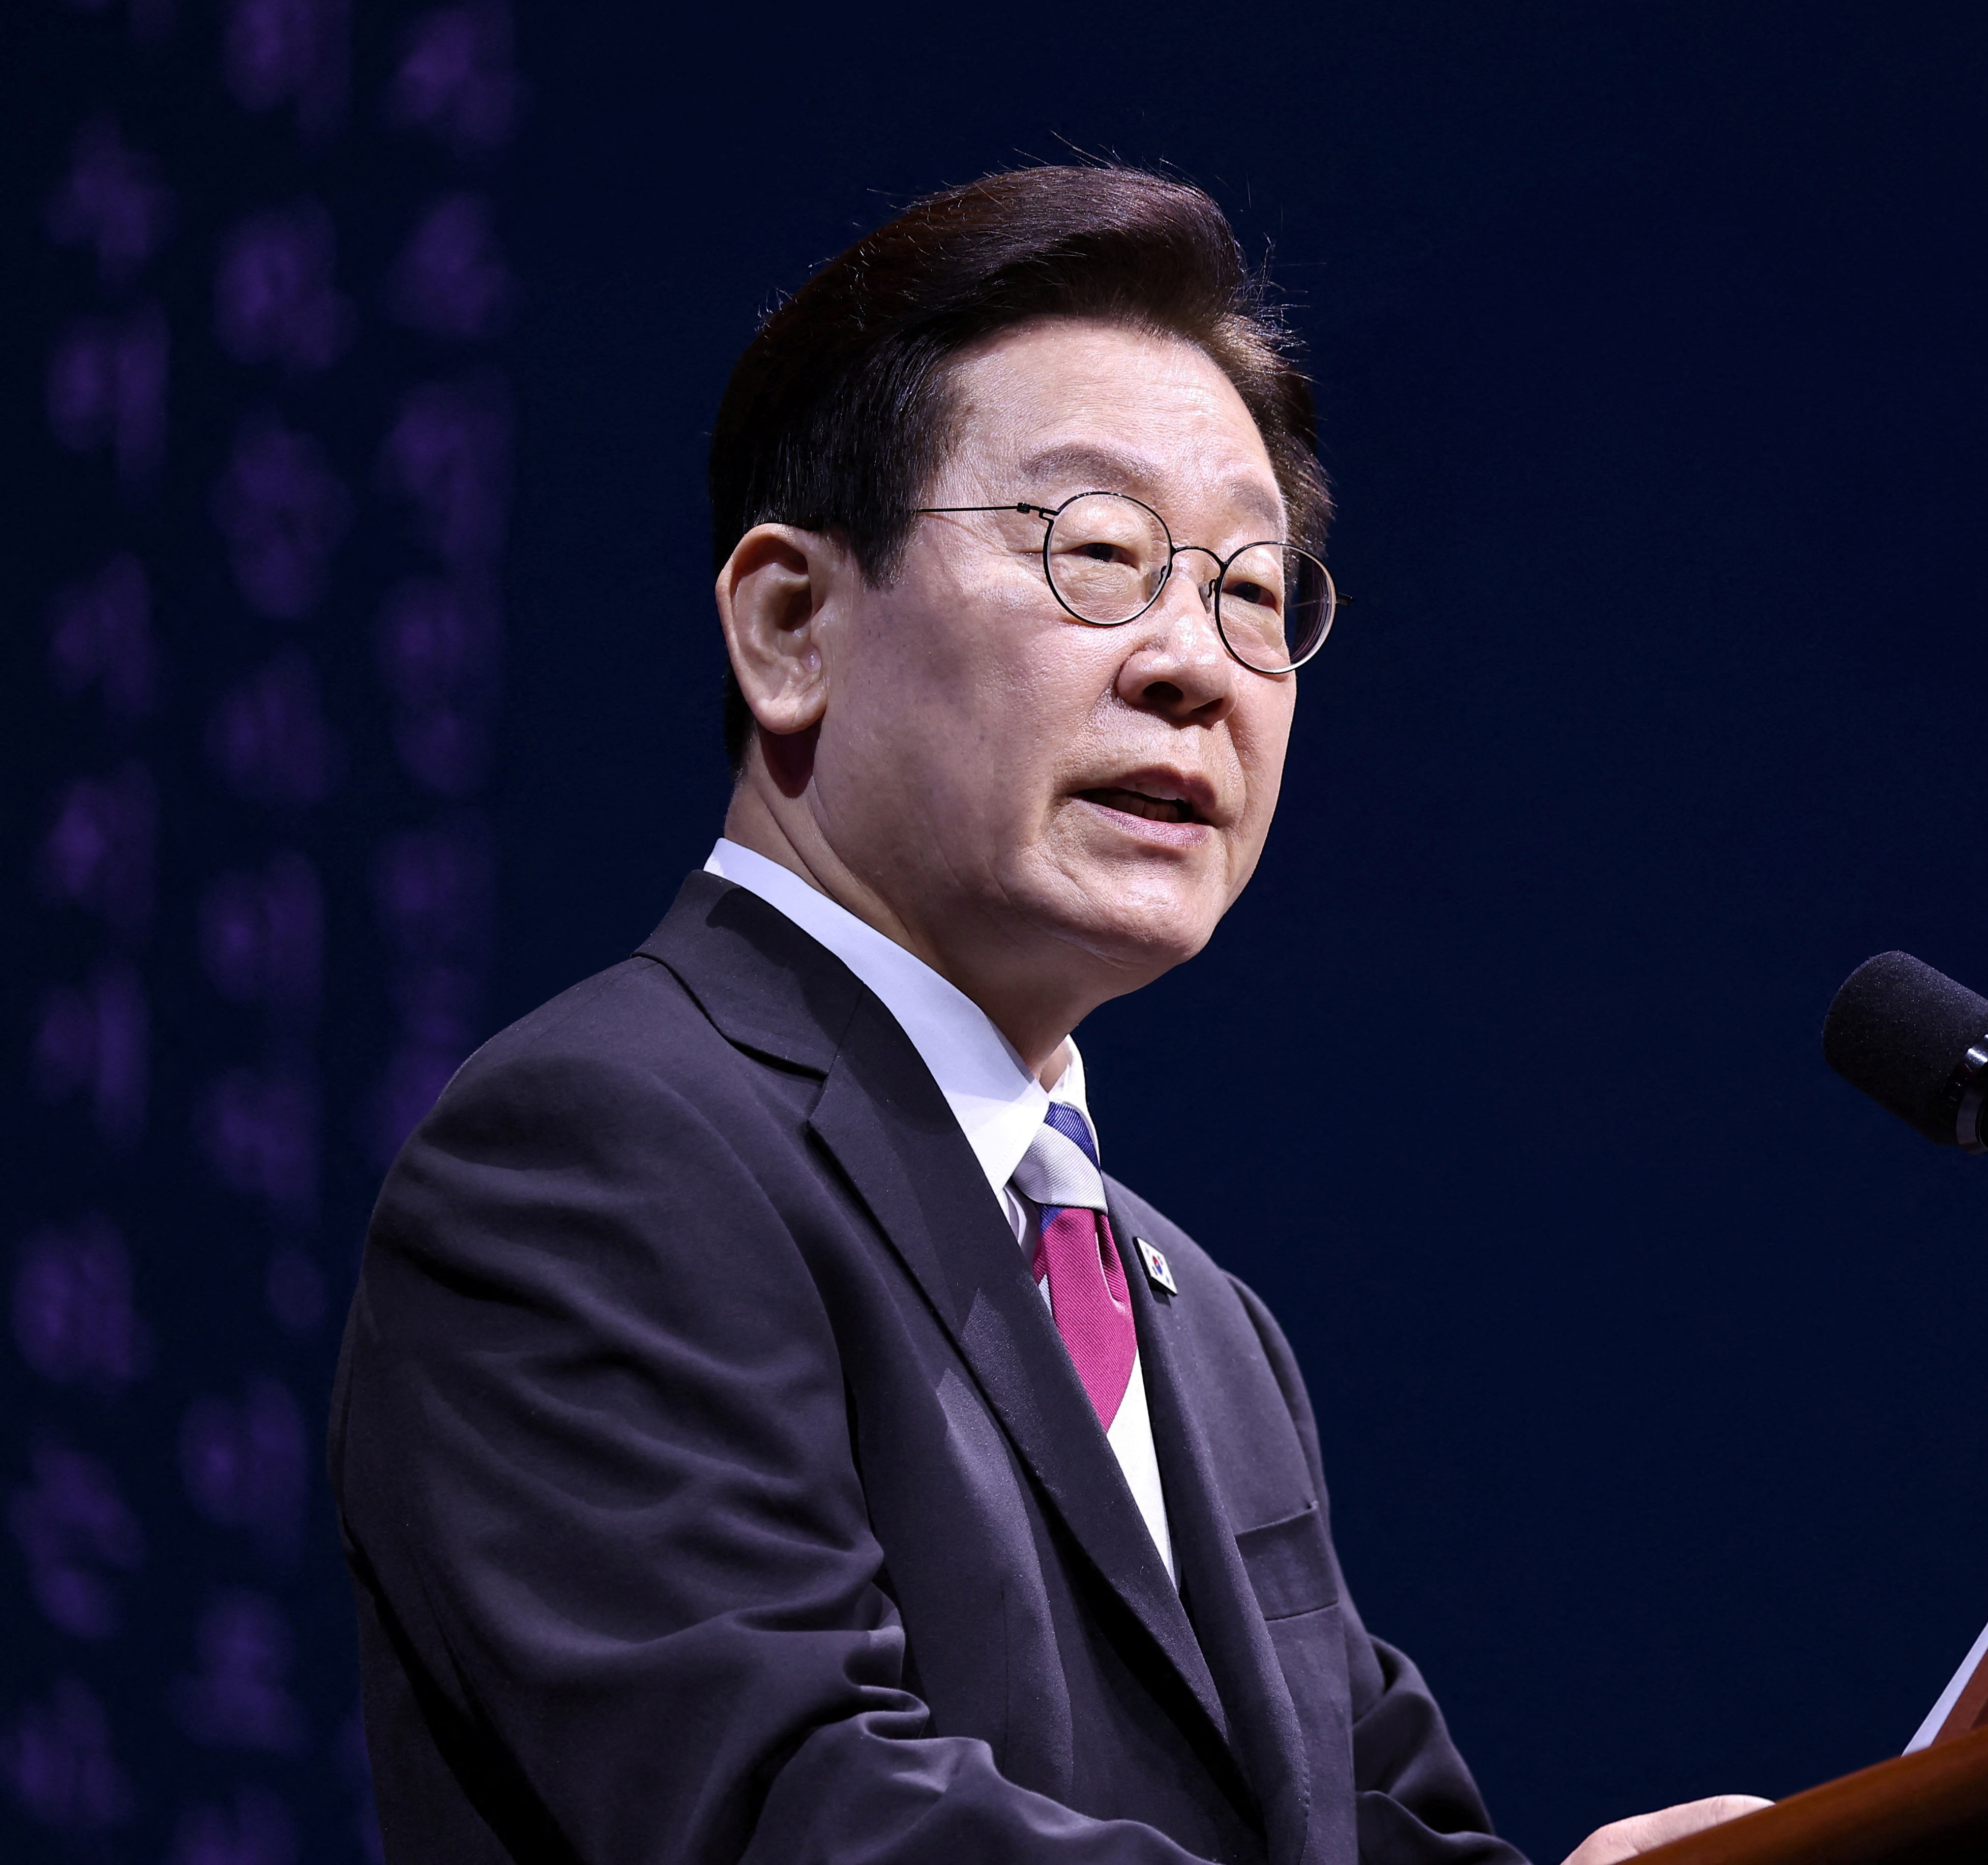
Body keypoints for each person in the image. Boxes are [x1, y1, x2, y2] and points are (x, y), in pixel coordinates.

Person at [327, 165, 1768, 1865]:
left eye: (1254, 592)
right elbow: (796, 1811)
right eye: (1100, 556)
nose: (1197, 663)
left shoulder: (1204, 1324)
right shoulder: (602, 1149)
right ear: (791, 625)